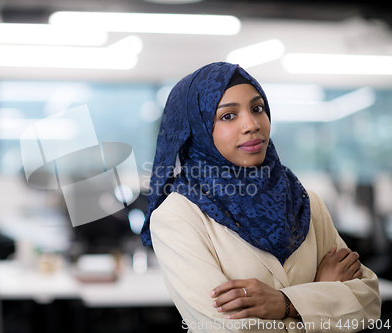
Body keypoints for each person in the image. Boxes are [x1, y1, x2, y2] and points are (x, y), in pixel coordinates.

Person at [140, 62, 381, 332]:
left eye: (257, 108)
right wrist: (320, 298)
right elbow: (229, 329)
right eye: (228, 116)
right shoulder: (177, 217)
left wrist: (285, 303)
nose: (252, 124)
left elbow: (369, 303)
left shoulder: (307, 202)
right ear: (196, 130)